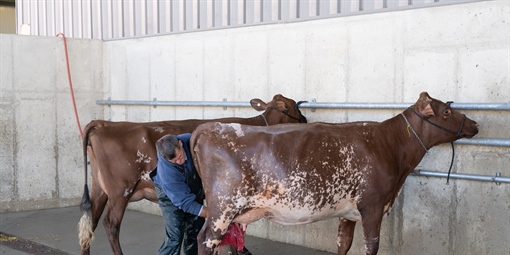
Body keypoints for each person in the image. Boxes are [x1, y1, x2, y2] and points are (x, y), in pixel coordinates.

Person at [150, 133, 206, 255]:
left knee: (196, 230)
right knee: (175, 237)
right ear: (165, 158)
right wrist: (213, 213)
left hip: (192, 184)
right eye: (174, 161)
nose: (179, 161)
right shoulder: (167, 173)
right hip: (169, 195)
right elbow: (187, 204)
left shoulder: (190, 140)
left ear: (181, 144)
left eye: (180, 156)